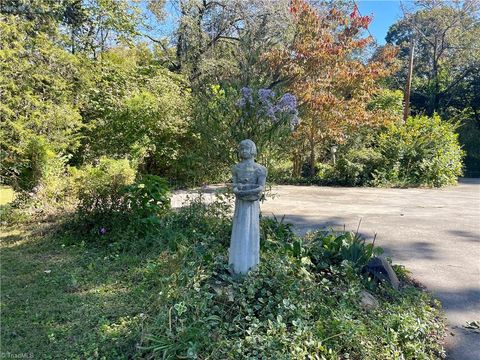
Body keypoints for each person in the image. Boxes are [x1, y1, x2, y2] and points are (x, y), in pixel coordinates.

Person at [229, 139, 267, 274]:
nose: (244, 151)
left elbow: (260, 188)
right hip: (240, 205)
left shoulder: (260, 169)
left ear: (253, 150)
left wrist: (248, 191)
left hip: (252, 205)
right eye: (242, 148)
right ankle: (237, 266)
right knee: (240, 229)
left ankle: (250, 267)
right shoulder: (236, 168)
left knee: (251, 230)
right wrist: (237, 188)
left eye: (247, 148)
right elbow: (234, 186)